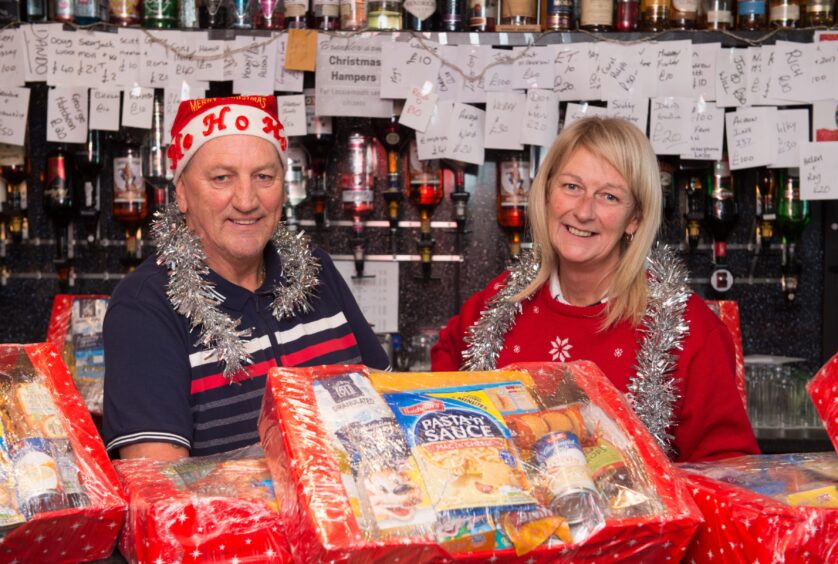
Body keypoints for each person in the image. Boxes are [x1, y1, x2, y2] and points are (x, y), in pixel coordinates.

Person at [432, 117, 759, 463]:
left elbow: (729, 468)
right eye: (572, 187)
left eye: (609, 196)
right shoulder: (503, 300)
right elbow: (438, 385)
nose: (584, 211)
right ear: (547, 194)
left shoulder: (690, 329)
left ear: (634, 219)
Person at [103, 96, 389, 461]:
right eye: (222, 178)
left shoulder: (315, 269)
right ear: (182, 194)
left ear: (283, 187)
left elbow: (388, 403)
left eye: (263, 177)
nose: (246, 200)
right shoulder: (144, 306)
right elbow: (162, 489)